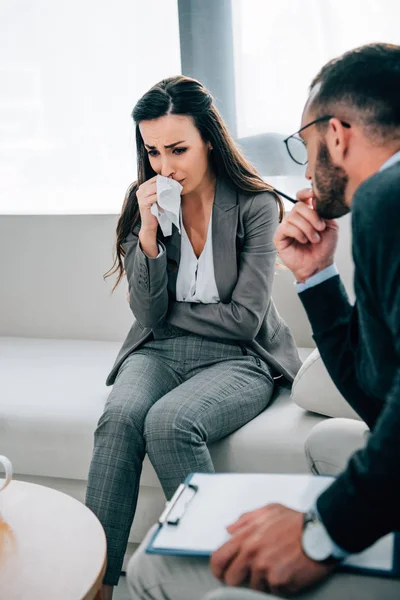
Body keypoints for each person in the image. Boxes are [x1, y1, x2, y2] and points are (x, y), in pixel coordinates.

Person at [126, 43, 400, 600]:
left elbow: (241, 320)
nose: (307, 164)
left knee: (151, 571)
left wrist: (318, 537)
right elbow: (378, 399)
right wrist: (316, 278)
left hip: (245, 370)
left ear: (338, 133)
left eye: (306, 145)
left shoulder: (385, 200)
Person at [85, 75, 301, 600]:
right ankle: (95, 587)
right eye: (153, 151)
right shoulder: (149, 202)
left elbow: (243, 321)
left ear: (209, 138)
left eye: (177, 149)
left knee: (171, 422)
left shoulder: (255, 205)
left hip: (240, 358)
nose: (164, 166)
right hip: (158, 352)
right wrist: (149, 237)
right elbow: (147, 310)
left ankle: (214, 583)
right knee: (118, 420)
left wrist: (169, 315)